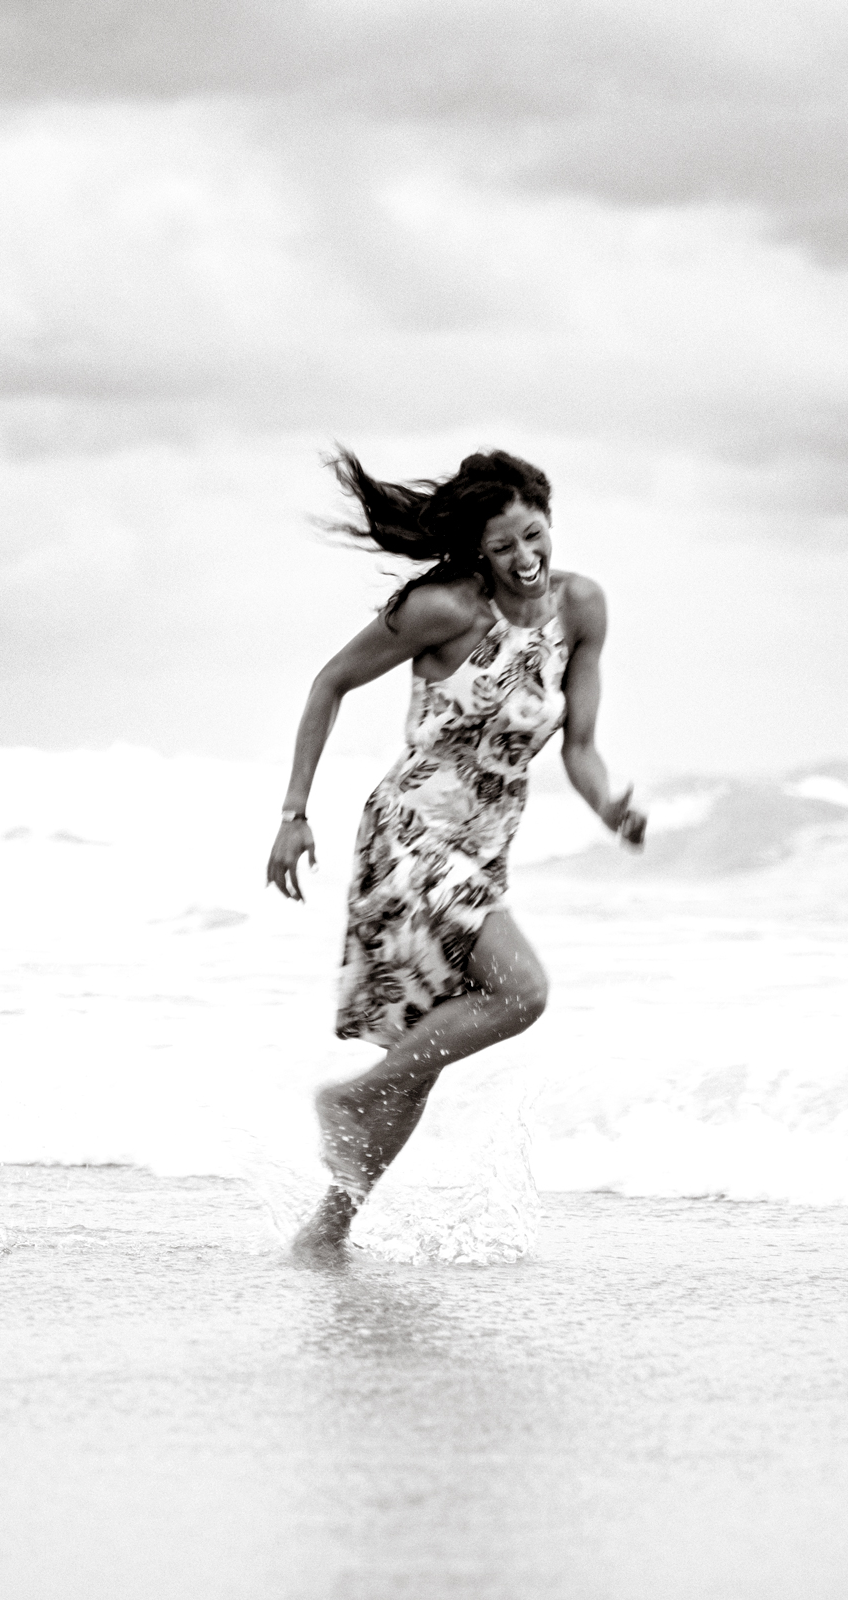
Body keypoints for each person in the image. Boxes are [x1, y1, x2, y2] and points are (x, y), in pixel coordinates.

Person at [266, 448, 646, 1260]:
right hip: (409, 834)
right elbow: (328, 682)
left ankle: (326, 1234)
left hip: (485, 851)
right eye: (504, 545)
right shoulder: (444, 610)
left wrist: (609, 804)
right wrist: (294, 813)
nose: (525, 558)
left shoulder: (582, 608)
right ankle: (348, 1099)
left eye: (534, 535)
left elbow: (578, 746)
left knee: (423, 1061)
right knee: (524, 992)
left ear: (551, 521)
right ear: (479, 551)